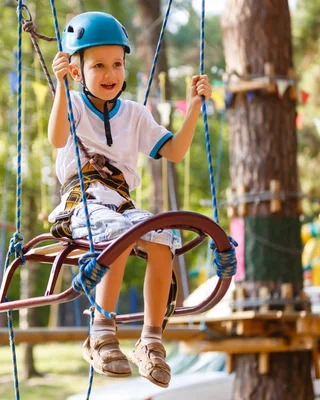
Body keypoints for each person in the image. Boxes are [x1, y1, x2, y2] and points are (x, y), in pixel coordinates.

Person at [47, 12, 212, 387]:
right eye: (98, 66)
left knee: (163, 237)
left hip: (121, 203)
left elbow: (174, 151)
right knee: (120, 232)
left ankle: (150, 339)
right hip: (83, 201)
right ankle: (102, 330)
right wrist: (59, 88)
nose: (110, 74)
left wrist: (194, 107)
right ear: (77, 73)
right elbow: (58, 138)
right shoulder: (71, 104)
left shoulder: (135, 114)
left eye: (117, 64)